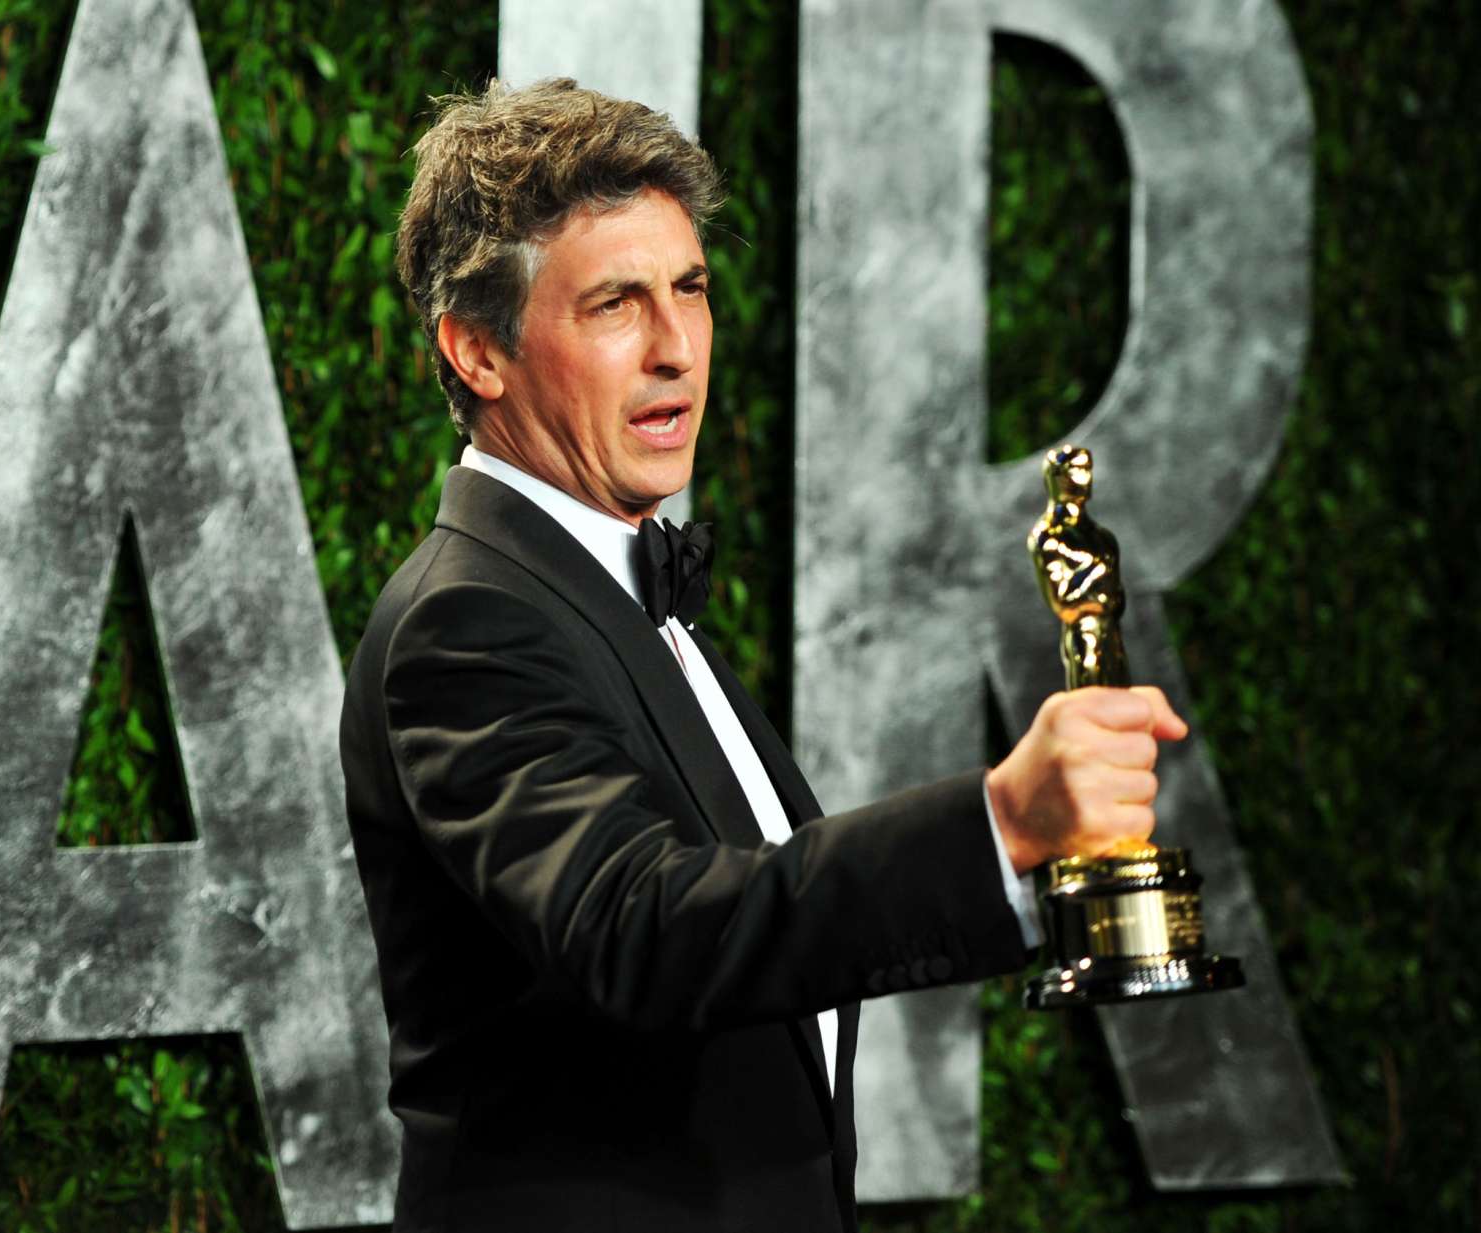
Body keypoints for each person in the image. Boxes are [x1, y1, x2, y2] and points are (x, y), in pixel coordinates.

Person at [337, 79, 1188, 1232]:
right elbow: (642, 929)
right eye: (613, 304)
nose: (676, 350)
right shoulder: (468, 619)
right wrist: (994, 825)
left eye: (688, 289)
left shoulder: (617, 586)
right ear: (477, 351)